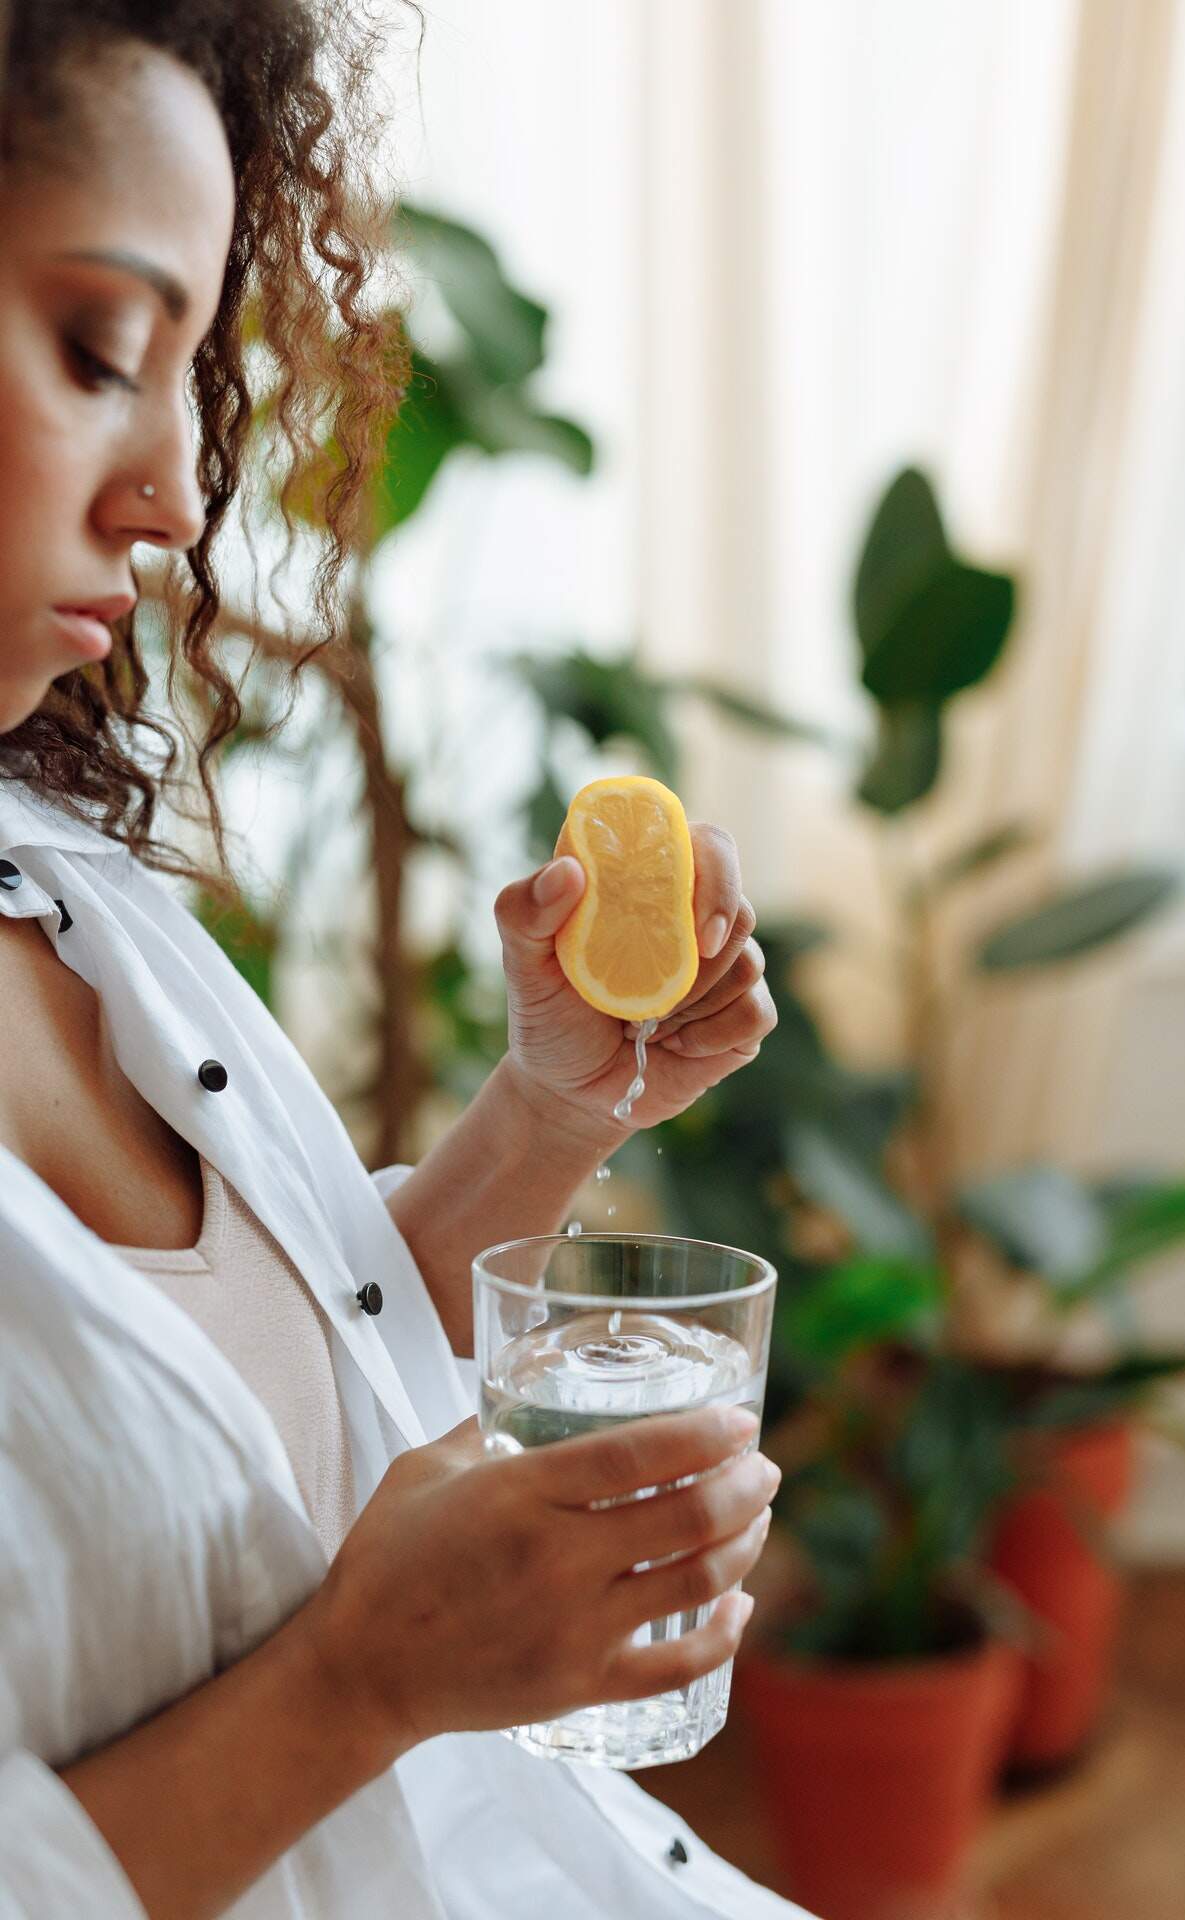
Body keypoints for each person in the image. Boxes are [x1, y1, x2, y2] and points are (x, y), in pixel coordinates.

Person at [0, 4, 809, 1917]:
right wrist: (364, 1684)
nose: (176, 498)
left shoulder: (68, 892)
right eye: (102, 351)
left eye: (193, 374)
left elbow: (265, 1375)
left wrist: (543, 1121)